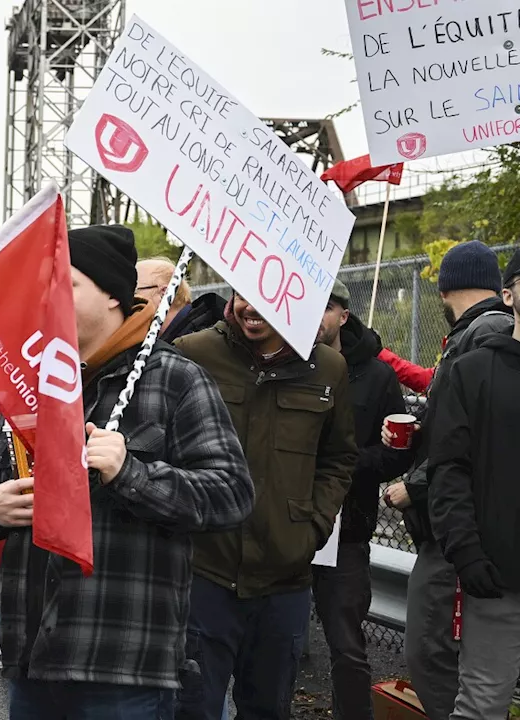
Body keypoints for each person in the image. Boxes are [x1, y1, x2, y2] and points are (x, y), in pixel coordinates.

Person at [0, 225, 255, 720]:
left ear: (114, 296)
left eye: (66, 284)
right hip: (33, 658)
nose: (48, 298)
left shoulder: (175, 378)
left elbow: (232, 495)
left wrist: (130, 473)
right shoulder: (37, 383)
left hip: (123, 667)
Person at [173, 291, 356, 720]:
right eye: (242, 294)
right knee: (190, 710)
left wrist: (311, 528)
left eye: (266, 296)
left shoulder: (329, 368)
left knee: (268, 711)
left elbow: (339, 458)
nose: (251, 308)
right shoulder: (192, 353)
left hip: (284, 582)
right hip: (203, 575)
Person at [384, 240, 514, 720]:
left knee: (431, 651)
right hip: (463, 527)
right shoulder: (478, 334)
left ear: (444, 289)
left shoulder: (484, 336)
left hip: (460, 531)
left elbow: (471, 445)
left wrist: (415, 485)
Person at [312, 280, 414, 720]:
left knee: (347, 648)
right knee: (270, 640)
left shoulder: (377, 375)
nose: (314, 315)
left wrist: (343, 464)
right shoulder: (284, 363)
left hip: (347, 531)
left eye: (324, 307)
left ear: (343, 315)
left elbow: (397, 453)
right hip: (284, 524)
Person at [427, 251, 520, 720]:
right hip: (499, 580)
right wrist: (467, 552)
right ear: (508, 295)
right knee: (483, 704)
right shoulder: (474, 371)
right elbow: (449, 469)